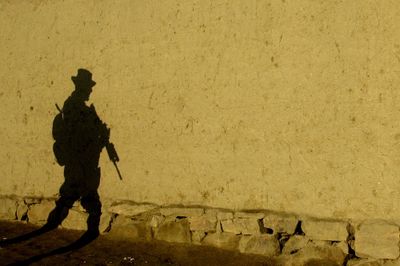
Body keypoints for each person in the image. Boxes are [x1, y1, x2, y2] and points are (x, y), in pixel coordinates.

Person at [46, 68, 109, 240]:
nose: (90, 91)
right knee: (81, 194)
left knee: (73, 193)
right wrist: (96, 134)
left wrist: (101, 137)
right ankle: (90, 232)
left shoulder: (83, 108)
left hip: (84, 161)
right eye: (88, 87)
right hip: (78, 160)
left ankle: (53, 224)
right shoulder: (73, 106)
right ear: (81, 87)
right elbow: (79, 136)